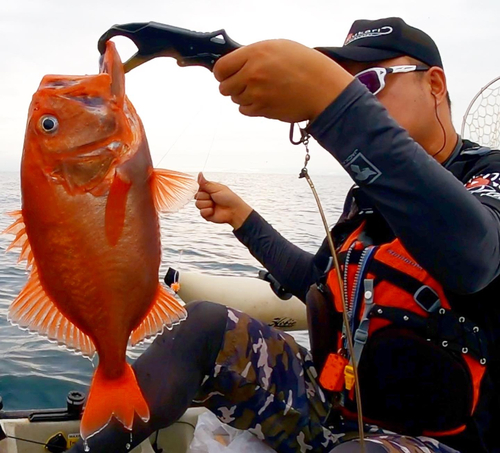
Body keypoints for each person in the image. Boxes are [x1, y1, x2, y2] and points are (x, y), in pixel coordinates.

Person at [69, 17, 500, 453]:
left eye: (368, 81)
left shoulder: (491, 175)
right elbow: (317, 281)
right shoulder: (366, 197)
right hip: (333, 409)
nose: (355, 94)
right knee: (202, 324)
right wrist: (243, 220)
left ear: (436, 84)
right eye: (341, 83)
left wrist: (335, 105)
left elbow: (474, 256)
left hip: (443, 443)